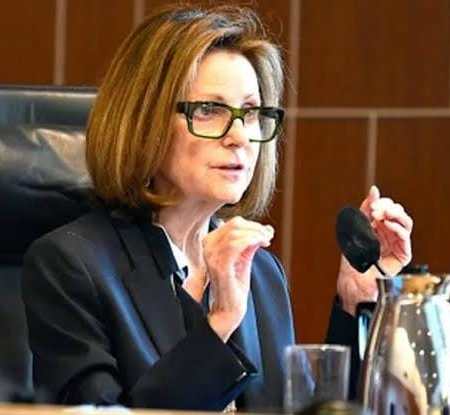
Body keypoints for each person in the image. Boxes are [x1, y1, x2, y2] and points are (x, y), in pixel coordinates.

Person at [22, 4, 413, 412]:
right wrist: (219, 323)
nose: (240, 136)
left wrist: (359, 305)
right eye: (209, 110)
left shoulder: (260, 271)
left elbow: (304, 410)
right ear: (143, 121)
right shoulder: (71, 266)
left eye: (252, 113)